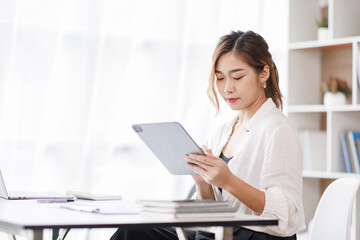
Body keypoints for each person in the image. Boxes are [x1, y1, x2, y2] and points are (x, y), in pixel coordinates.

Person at [110, 30, 305, 240]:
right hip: (220, 233)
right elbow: (211, 214)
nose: (227, 88)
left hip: (255, 236)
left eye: (237, 77)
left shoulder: (278, 129)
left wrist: (227, 180)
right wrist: (202, 181)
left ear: (263, 73)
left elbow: (285, 216)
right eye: (220, 78)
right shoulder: (223, 132)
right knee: (133, 232)